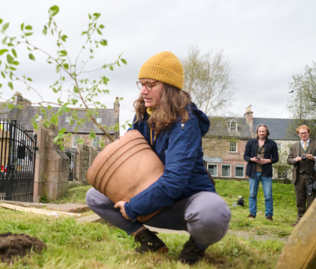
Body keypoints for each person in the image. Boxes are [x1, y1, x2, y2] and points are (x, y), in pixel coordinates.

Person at [85, 51, 231, 265]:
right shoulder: (143, 116)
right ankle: (147, 239)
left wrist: (132, 207)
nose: (143, 91)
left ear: (169, 87)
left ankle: (195, 247)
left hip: (186, 204)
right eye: (141, 84)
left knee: (213, 212)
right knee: (95, 196)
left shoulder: (186, 123)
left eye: (150, 84)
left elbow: (174, 182)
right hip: (152, 204)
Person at [243, 124, 279, 221]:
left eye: (263, 131)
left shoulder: (272, 143)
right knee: (252, 194)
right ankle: (252, 213)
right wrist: (251, 159)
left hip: (266, 173)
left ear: (266, 132)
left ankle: (269, 215)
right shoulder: (251, 142)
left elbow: (276, 158)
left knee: (268, 195)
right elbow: (245, 156)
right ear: (257, 132)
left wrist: (268, 161)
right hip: (253, 172)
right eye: (260, 131)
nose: (262, 133)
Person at [287, 125, 316, 226]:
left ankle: (311, 222)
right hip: (298, 176)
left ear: (309, 133)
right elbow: (288, 160)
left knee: (311, 200)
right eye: (301, 133)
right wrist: (295, 159)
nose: (303, 135)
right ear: (298, 134)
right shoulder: (293, 146)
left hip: (312, 177)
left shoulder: (315, 144)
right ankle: (300, 221)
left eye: (305, 133)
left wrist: (313, 157)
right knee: (300, 199)